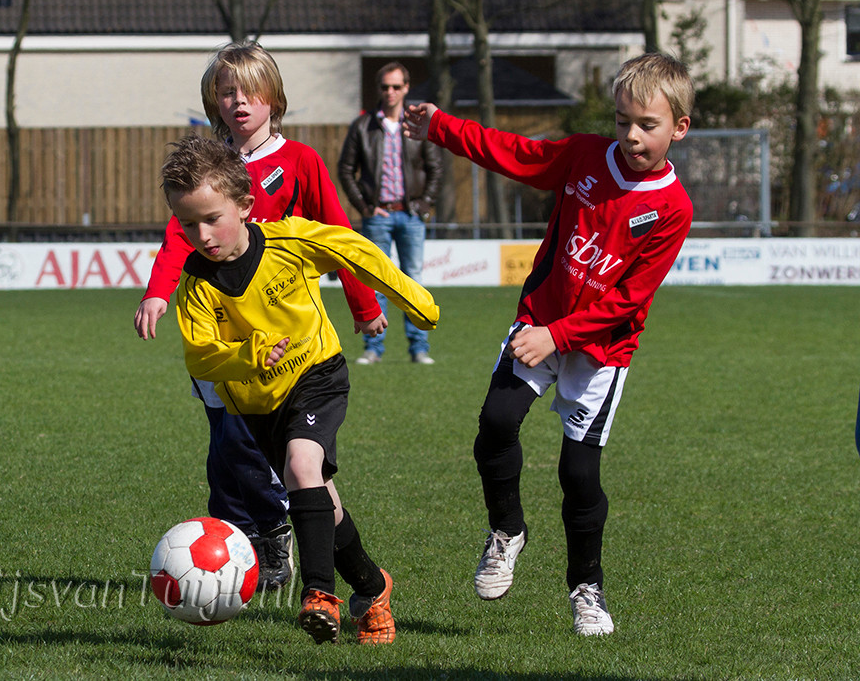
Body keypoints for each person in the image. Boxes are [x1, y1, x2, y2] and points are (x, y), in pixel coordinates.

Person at [403, 52, 694, 636]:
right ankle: (507, 530)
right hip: (541, 317)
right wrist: (441, 126)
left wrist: (557, 336)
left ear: (679, 128)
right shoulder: (585, 155)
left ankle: (587, 588)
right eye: (622, 121)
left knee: (578, 476)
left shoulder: (672, 209)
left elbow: (628, 302)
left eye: (647, 125)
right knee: (496, 421)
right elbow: (515, 153)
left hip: (601, 350)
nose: (631, 135)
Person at [162, 134, 438, 644]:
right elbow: (200, 355)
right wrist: (248, 356)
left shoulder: (288, 242)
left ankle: (320, 595)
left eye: (212, 219)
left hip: (316, 373)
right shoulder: (196, 283)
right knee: (320, 503)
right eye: (188, 224)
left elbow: (351, 247)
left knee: (300, 467)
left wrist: (413, 300)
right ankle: (372, 588)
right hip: (258, 404)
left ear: (245, 206)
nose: (201, 235)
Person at [134, 42, 387, 592]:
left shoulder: (299, 162)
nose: (239, 102)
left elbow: (339, 237)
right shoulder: (206, 166)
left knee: (253, 444)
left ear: (274, 98)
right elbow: (177, 236)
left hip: (282, 335)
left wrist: (364, 304)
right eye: (227, 92)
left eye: (251, 91)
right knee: (225, 445)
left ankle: (269, 534)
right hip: (219, 329)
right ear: (214, 101)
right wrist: (158, 293)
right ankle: (240, 543)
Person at [338, 61, 443, 365]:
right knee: (375, 282)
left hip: (411, 215)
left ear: (406, 88)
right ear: (379, 89)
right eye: (385, 87)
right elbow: (346, 169)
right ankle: (373, 349)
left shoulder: (417, 126)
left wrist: (424, 205)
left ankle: (419, 349)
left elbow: (436, 169)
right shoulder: (363, 126)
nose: (390, 92)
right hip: (378, 216)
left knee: (413, 282)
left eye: (396, 86)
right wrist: (365, 207)